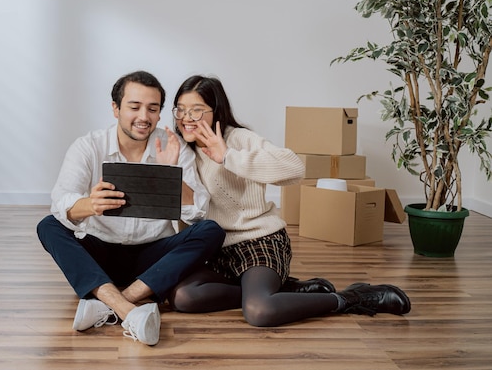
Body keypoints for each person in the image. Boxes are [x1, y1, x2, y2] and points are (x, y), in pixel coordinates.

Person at [167, 75, 411, 327]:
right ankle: (285, 291)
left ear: (215, 111)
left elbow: (294, 168)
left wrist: (228, 156)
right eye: (181, 110)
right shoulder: (181, 152)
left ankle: (350, 298)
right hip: (216, 249)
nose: (186, 118)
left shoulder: (237, 139)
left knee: (259, 311)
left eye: (196, 111)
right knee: (182, 298)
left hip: (257, 241)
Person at [37, 71, 226, 345]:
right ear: (116, 108)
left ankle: (109, 303)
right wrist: (90, 205)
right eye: (134, 107)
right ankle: (128, 311)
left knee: (211, 231)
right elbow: (61, 203)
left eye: (152, 109)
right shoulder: (88, 146)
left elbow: (197, 213)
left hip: (153, 254)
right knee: (48, 226)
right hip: (101, 251)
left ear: (160, 113)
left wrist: (172, 173)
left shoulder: (171, 145)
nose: (143, 117)